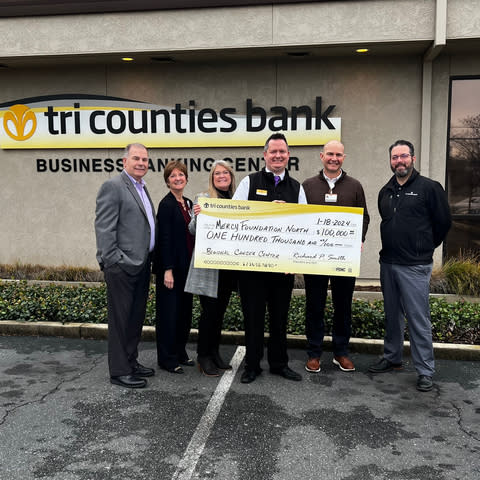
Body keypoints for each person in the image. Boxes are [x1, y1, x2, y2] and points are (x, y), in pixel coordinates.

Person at [368, 139, 451, 392]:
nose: (399, 161)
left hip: (415, 266)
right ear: (391, 161)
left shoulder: (429, 188)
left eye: (404, 156)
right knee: (392, 314)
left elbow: (443, 223)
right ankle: (392, 357)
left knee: (418, 318)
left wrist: (424, 248)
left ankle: (425, 370)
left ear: (413, 159)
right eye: (395, 157)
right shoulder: (386, 190)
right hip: (388, 263)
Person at [232, 132, 307, 383]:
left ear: (288, 156)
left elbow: (305, 226)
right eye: (273, 151)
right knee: (252, 318)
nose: (278, 155)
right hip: (252, 267)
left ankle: (279, 364)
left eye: (282, 152)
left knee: (279, 317)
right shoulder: (249, 182)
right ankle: (252, 365)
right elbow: (234, 216)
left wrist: (294, 262)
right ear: (265, 155)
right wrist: (266, 211)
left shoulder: (297, 188)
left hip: (282, 268)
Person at [302, 140, 370, 373]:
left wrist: (358, 239)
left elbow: (364, 218)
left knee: (343, 306)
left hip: (343, 258)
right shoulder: (308, 186)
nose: (334, 158)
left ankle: (341, 352)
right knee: (315, 306)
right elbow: (298, 218)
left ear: (344, 157)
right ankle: (314, 353)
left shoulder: (355, 186)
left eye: (338, 155)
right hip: (315, 258)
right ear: (321, 156)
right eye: (330, 154)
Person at [94, 143, 156, 389]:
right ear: (124, 161)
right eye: (136, 158)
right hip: (122, 267)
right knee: (120, 321)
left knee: (134, 318)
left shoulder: (141, 187)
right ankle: (119, 371)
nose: (141, 163)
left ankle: (131, 361)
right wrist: (113, 261)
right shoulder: (113, 187)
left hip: (141, 265)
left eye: (145, 159)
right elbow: (104, 228)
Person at [185, 160, 238, 376]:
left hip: (228, 268)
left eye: (225, 172)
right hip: (209, 267)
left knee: (219, 314)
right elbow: (192, 230)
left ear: (231, 176)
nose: (222, 176)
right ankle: (203, 356)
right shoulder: (203, 199)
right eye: (217, 173)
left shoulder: (237, 200)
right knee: (209, 314)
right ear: (212, 178)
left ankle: (215, 353)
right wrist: (198, 215)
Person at [153, 160, 195, 374]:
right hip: (172, 269)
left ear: (186, 178)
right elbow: (165, 239)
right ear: (167, 181)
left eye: (181, 175)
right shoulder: (167, 204)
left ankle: (180, 352)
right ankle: (167, 359)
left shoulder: (188, 203)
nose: (178, 178)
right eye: (173, 176)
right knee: (169, 315)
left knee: (184, 314)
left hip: (188, 268)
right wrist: (167, 269)